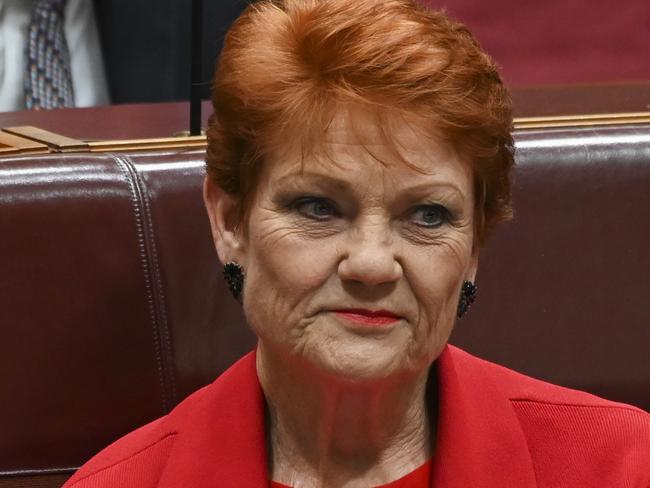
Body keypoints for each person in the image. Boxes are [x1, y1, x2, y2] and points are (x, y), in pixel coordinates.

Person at [63, 0, 650, 486]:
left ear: (473, 250)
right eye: (318, 207)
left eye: (427, 215)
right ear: (229, 221)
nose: (372, 265)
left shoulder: (619, 466)